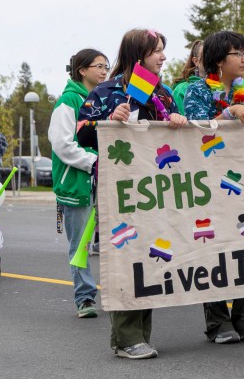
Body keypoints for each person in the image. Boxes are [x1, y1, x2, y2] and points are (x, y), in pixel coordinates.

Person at [78, 28, 187, 359]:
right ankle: (126, 338)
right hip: (121, 189)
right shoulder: (106, 92)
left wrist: (178, 121)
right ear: (139, 56)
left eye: (164, 51)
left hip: (158, 189)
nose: (164, 57)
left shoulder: (164, 94)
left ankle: (142, 333)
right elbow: (81, 133)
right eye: (157, 51)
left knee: (152, 255)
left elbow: (183, 136)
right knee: (127, 254)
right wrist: (109, 120)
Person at [183, 31, 244, 345]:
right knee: (214, 247)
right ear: (219, 60)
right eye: (237, 52)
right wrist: (228, 113)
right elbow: (194, 132)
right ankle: (217, 321)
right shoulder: (196, 90)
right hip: (210, 183)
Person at [50, 49, 109, 319]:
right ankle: (85, 297)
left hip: (105, 179)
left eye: (106, 66)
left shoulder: (104, 100)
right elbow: (63, 145)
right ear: (82, 70)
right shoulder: (68, 101)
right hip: (78, 183)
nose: (104, 71)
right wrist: (94, 161)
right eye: (98, 66)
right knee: (82, 244)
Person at [171, 39, 204, 112]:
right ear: (196, 61)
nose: (212, 60)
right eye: (206, 56)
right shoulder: (181, 89)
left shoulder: (223, 87)